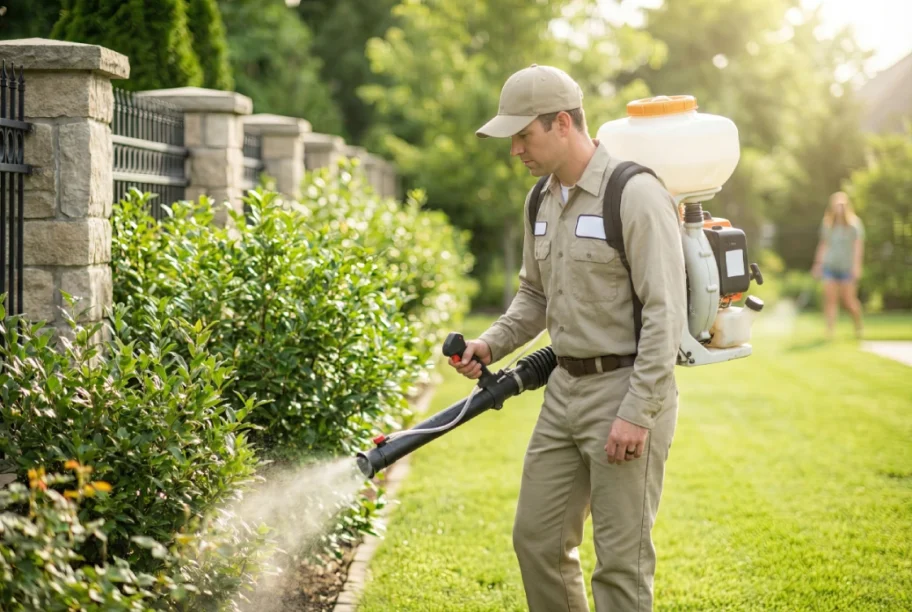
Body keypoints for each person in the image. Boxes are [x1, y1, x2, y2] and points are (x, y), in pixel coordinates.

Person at [449, 64, 686, 611]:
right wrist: (491, 344)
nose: (515, 151)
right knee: (537, 540)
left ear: (561, 123)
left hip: (625, 391)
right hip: (563, 392)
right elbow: (535, 294)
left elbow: (665, 312)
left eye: (523, 135)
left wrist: (637, 412)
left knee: (621, 564)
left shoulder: (633, 194)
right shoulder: (540, 200)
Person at [811, 191, 865, 340]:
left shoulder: (854, 225)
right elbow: (823, 245)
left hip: (847, 268)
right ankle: (830, 331)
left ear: (847, 206)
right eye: (836, 205)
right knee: (830, 300)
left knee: (849, 301)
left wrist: (856, 266)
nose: (839, 208)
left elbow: (858, 247)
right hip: (830, 267)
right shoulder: (828, 224)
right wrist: (818, 264)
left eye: (842, 205)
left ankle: (858, 326)